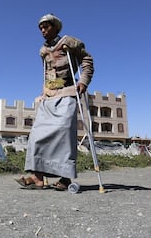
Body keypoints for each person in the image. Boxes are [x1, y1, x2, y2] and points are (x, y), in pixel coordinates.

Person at [15, 13, 94, 190]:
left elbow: (87, 60)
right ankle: (37, 177)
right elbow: (47, 72)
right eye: (41, 28)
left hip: (67, 92)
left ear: (55, 27)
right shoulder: (42, 51)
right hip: (49, 94)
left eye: (46, 26)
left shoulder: (70, 41)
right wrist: (43, 92)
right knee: (37, 134)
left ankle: (65, 179)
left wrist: (83, 81)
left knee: (64, 135)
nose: (43, 30)